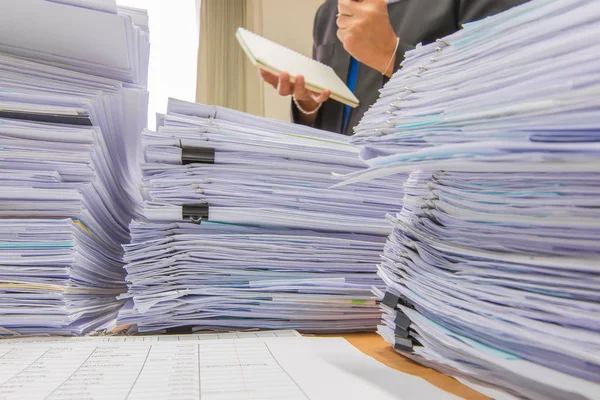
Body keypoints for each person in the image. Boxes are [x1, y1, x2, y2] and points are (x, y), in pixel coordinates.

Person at [259, 0, 529, 136]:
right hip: (338, 202)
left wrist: (391, 55)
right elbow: (337, 116)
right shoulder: (329, 13)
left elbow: (500, 98)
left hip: (427, 206)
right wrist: (308, 104)